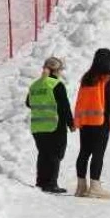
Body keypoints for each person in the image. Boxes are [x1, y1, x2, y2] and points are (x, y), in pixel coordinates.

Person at [73, 48, 110, 198]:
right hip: (101, 120)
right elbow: (108, 100)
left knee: (84, 152)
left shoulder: (87, 77)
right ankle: (95, 187)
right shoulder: (107, 77)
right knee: (98, 153)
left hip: (86, 120)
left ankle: (81, 187)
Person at [26, 57, 75, 194]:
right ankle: (51, 184)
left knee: (43, 154)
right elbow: (65, 106)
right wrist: (71, 123)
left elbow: (28, 103)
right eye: (60, 70)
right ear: (57, 70)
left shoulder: (35, 85)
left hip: (37, 126)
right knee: (55, 154)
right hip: (54, 124)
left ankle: (41, 182)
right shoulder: (56, 84)